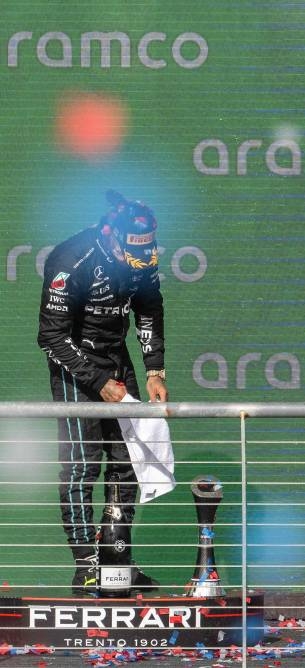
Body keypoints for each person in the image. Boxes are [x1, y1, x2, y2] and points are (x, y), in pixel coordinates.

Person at [37, 190, 167, 596]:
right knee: (81, 467)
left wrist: (155, 369)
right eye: (134, 248)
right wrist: (98, 382)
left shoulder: (142, 260)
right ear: (111, 235)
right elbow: (51, 336)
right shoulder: (70, 259)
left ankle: (116, 560)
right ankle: (86, 567)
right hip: (74, 368)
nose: (142, 257)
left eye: (147, 249)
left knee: (128, 461)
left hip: (117, 360)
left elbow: (149, 308)